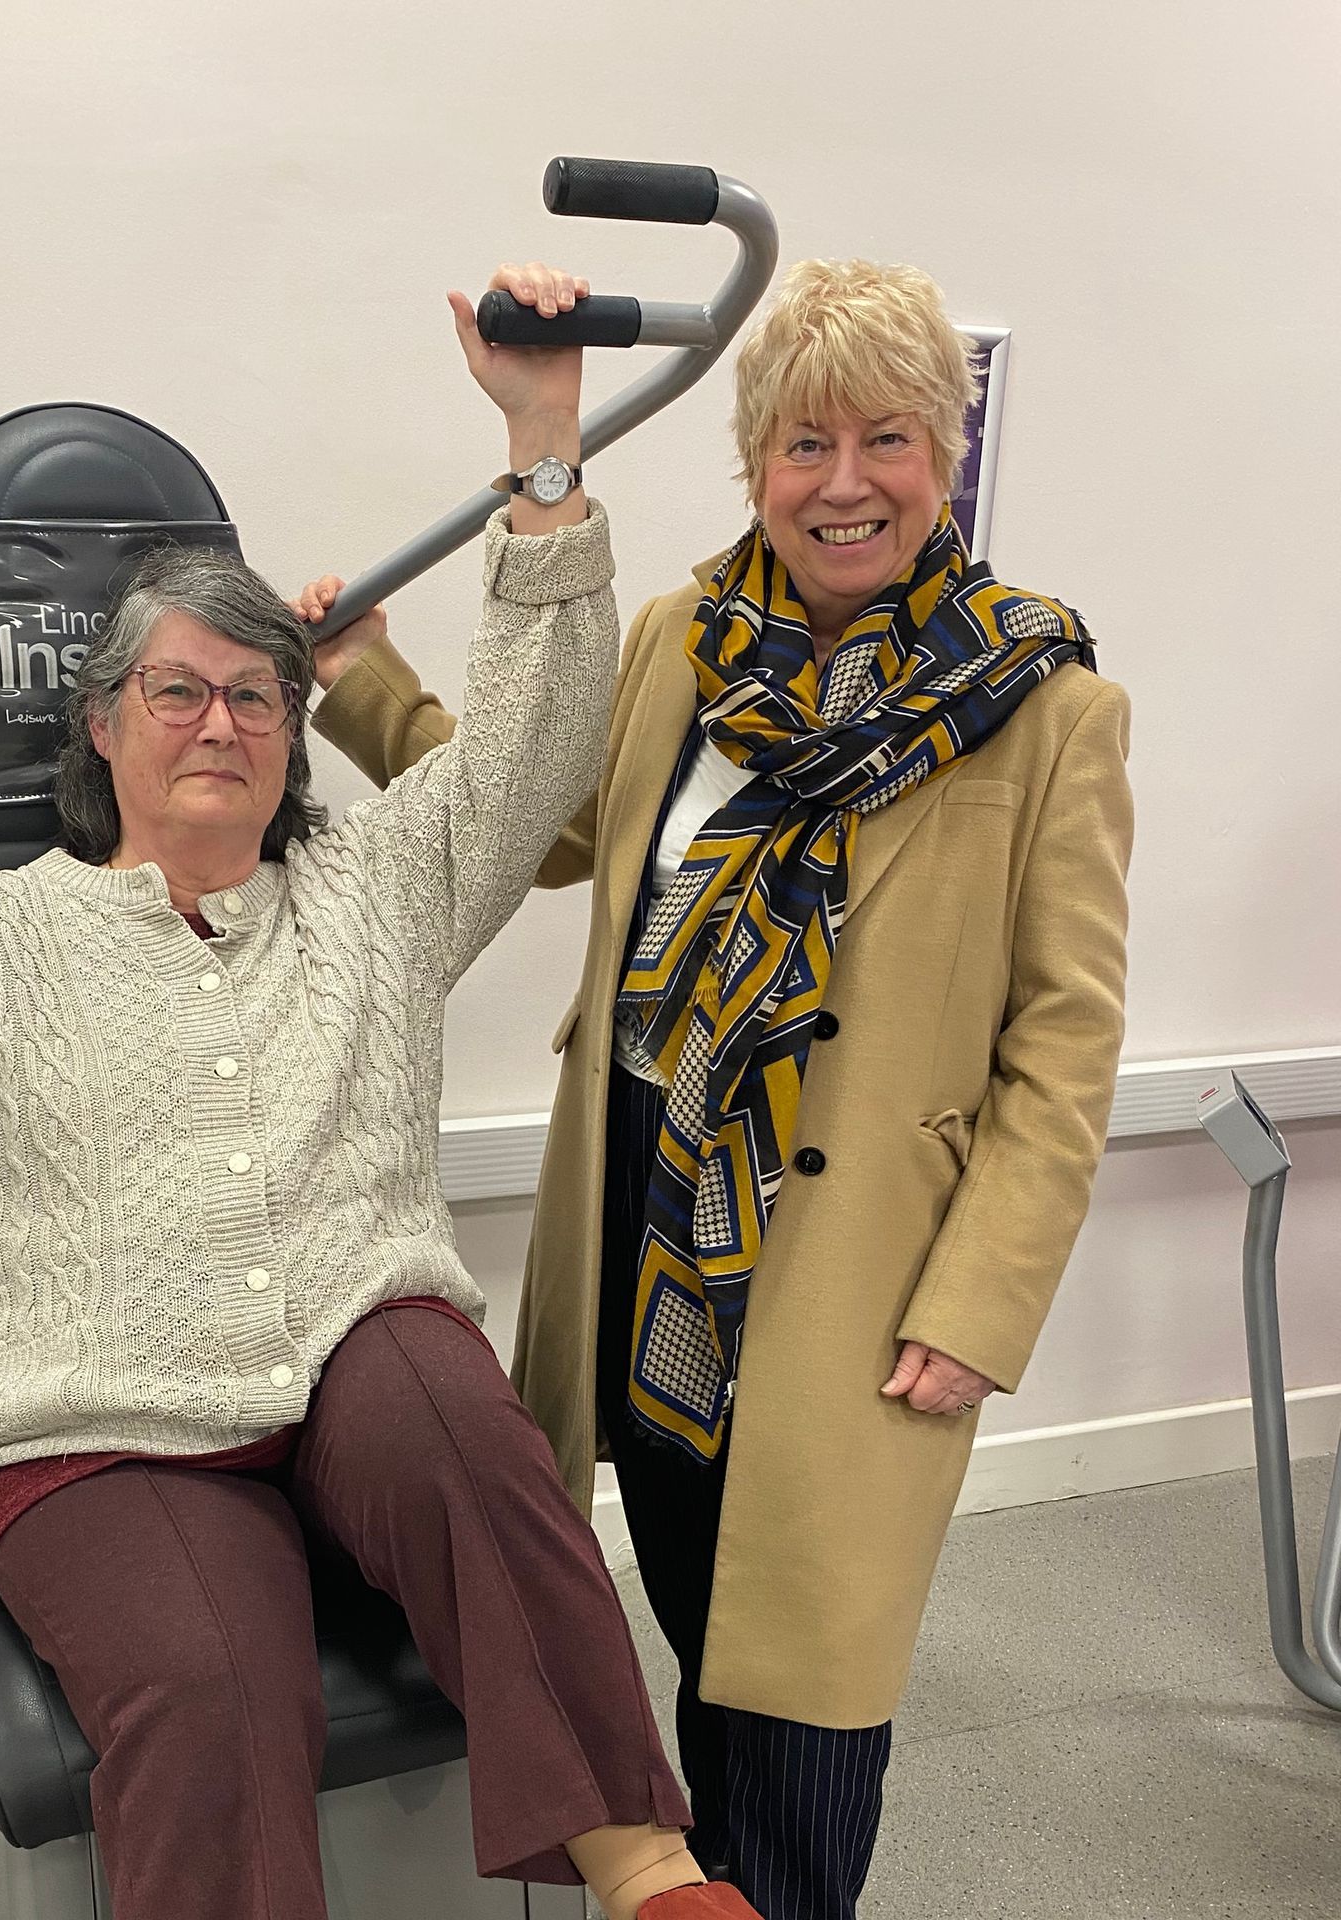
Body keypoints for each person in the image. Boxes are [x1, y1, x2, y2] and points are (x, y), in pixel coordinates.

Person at [0, 279, 761, 1920]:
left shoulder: (374, 885)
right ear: (102, 727)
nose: (222, 721)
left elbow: (537, 757)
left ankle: (652, 1871)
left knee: (473, 1440)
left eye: (258, 694)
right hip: (98, 1430)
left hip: (349, 1357)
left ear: (292, 736)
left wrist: (544, 442)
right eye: (177, 691)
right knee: (209, 1682)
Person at [301, 255, 1133, 1920]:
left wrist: (984, 1299)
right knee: (686, 1611)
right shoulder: (688, 638)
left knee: (807, 1693)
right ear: (756, 460)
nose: (844, 486)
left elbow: (1067, 1039)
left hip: (858, 1274)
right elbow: (542, 825)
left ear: (944, 456)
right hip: (649, 1225)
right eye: (804, 445)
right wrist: (363, 682)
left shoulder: (1043, 704)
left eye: (887, 442)